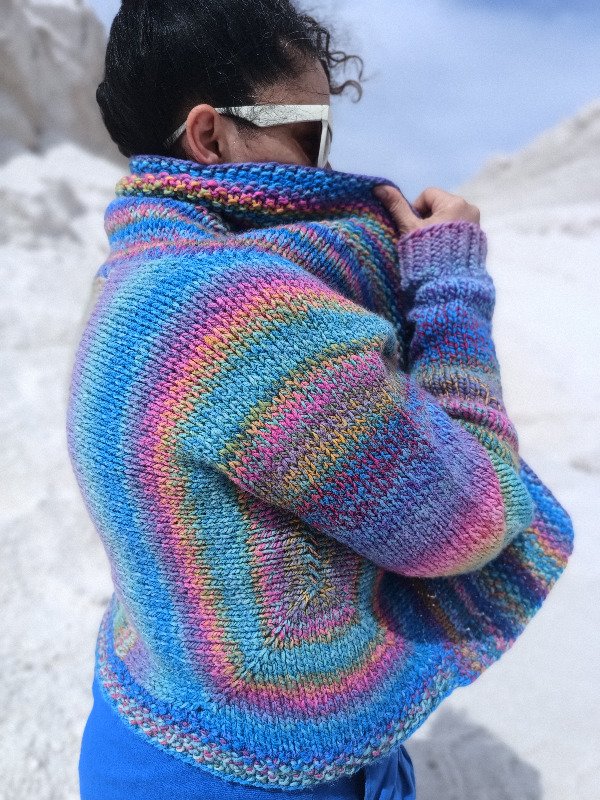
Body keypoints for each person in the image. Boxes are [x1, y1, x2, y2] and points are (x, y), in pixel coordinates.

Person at [69, 1, 574, 798]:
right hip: (260, 770)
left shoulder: (130, 282)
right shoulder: (234, 308)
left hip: (152, 729)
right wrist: (449, 289)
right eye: (311, 133)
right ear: (210, 136)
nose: (327, 164)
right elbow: (473, 518)